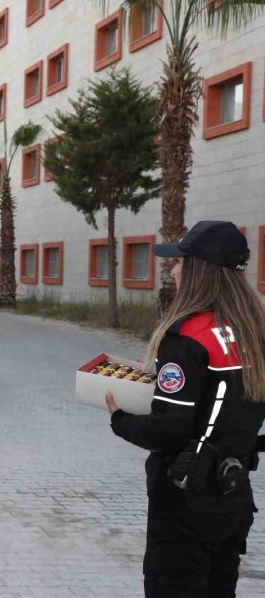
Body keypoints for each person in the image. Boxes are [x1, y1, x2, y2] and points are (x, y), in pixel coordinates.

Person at [106, 220, 265, 598]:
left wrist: (119, 418)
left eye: (179, 262)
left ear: (198, 270)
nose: (173, 269)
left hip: (185, 499)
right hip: (234, 496)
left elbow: (169, 430)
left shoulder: (187, 335)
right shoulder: (254, 330)